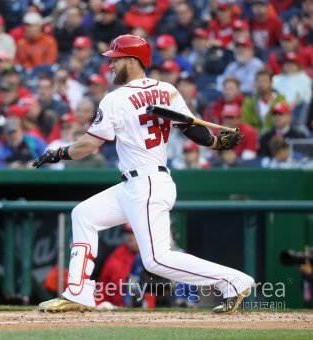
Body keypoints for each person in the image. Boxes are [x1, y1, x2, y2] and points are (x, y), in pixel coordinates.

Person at [34, 34, 254, 315]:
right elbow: (190, 128)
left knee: (156, 261)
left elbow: (89, 145)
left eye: (115, 60)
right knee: (84, 214)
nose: (111, 65)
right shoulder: (167, 90)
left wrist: (58, 153)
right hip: (134, 185)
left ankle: (234, 281)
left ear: (132, 60)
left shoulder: (115, 99)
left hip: (147, 183)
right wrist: (215, 142)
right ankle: (78, 292)